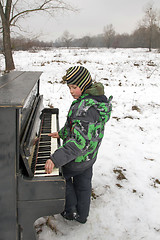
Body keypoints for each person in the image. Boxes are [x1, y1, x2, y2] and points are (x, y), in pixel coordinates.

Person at [45, 66, 112, 224]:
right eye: (69, 87)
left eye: (74, 87)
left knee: (62, 176)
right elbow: (78, 128)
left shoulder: (84, 109)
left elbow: (79, 143)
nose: (71, 91)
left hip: (77, 159)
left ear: (83, 85)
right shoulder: (96, 102)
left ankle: (70, 211)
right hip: (90, 157)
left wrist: (55, 159)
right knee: (84, 186)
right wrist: (61, 133)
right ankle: (82, 215)